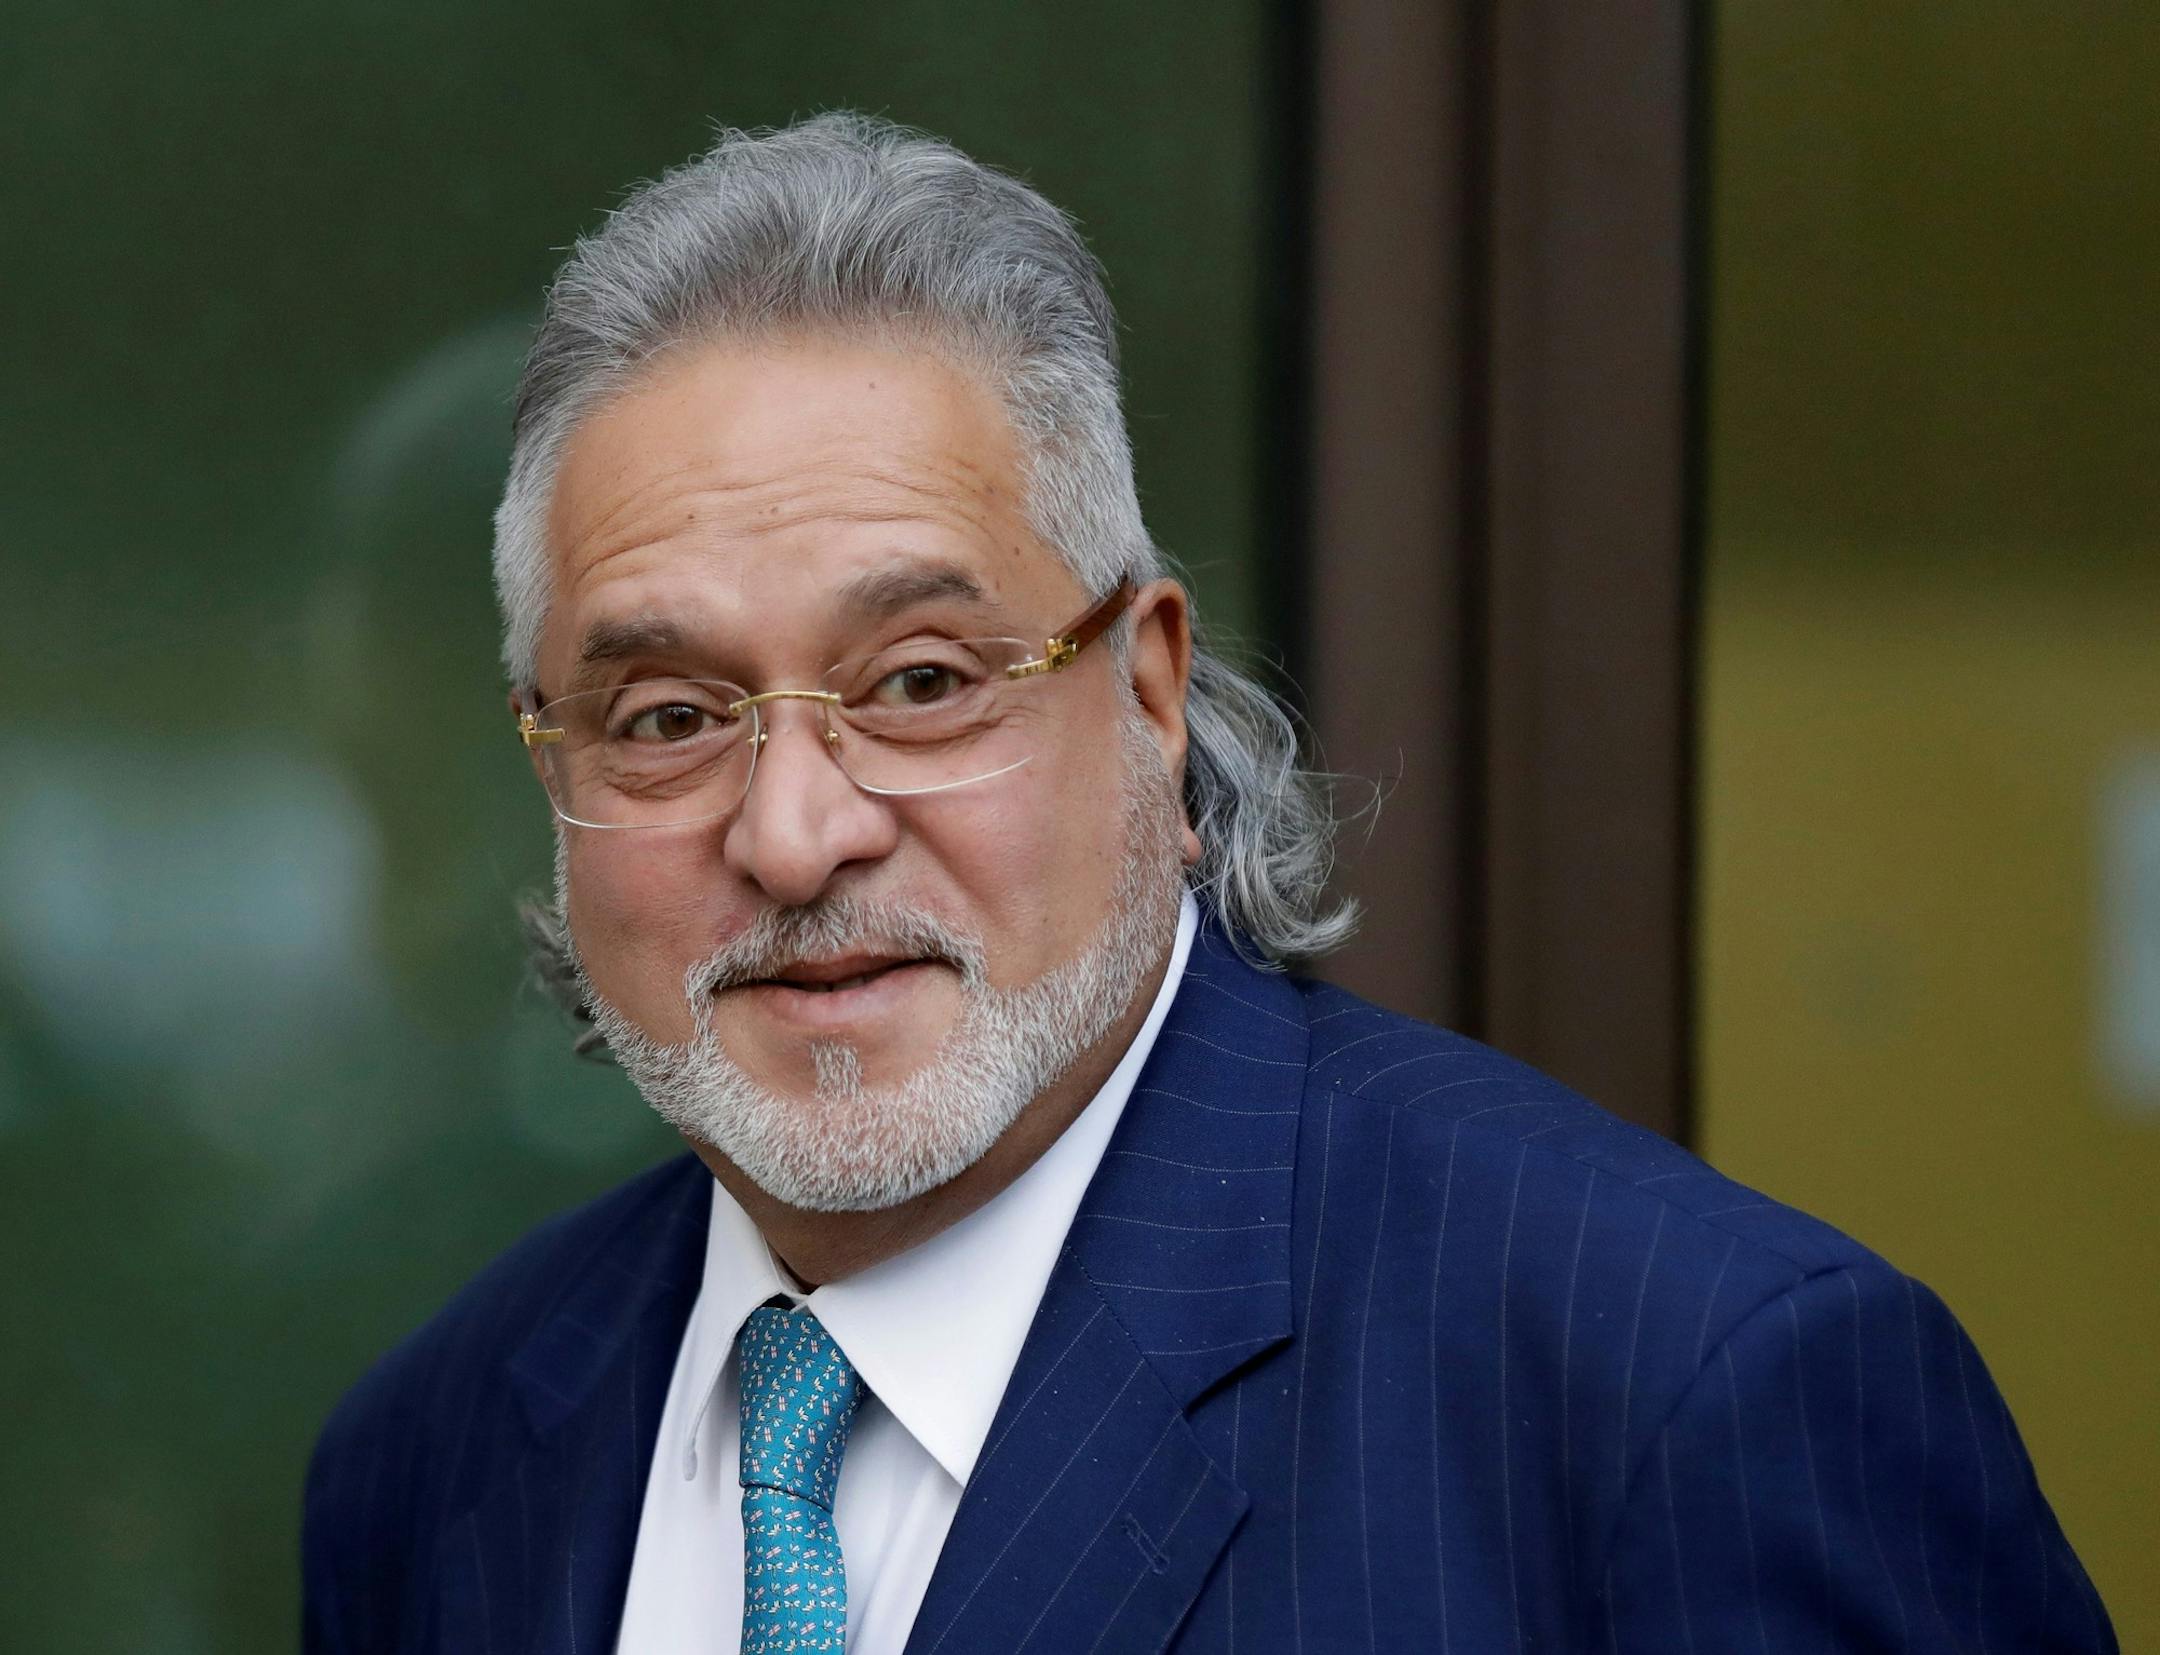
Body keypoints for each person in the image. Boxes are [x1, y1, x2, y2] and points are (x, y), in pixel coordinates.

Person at [302, 114, 2115, 1654]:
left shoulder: (1685, 1404)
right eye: (671, 716)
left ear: (1151, 695)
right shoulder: (439, 1460)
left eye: (923, 683)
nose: (792, 835)